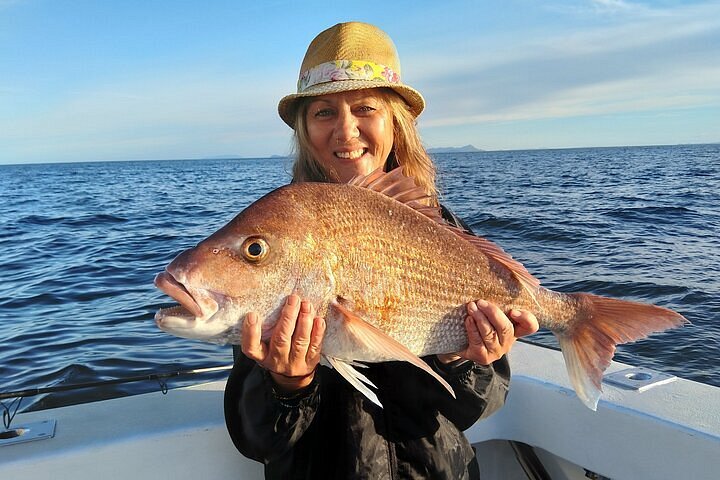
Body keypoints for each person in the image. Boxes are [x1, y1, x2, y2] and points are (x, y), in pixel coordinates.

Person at [224, 21, 539, 479]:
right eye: (324, 113)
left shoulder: (444, 231)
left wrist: (463, 359)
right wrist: (287, 384)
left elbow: (478, 408)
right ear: (304, 128)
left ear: (396, 121)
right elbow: (257, 440)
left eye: (365, 108)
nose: (346, 132)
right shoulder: (281, 234)